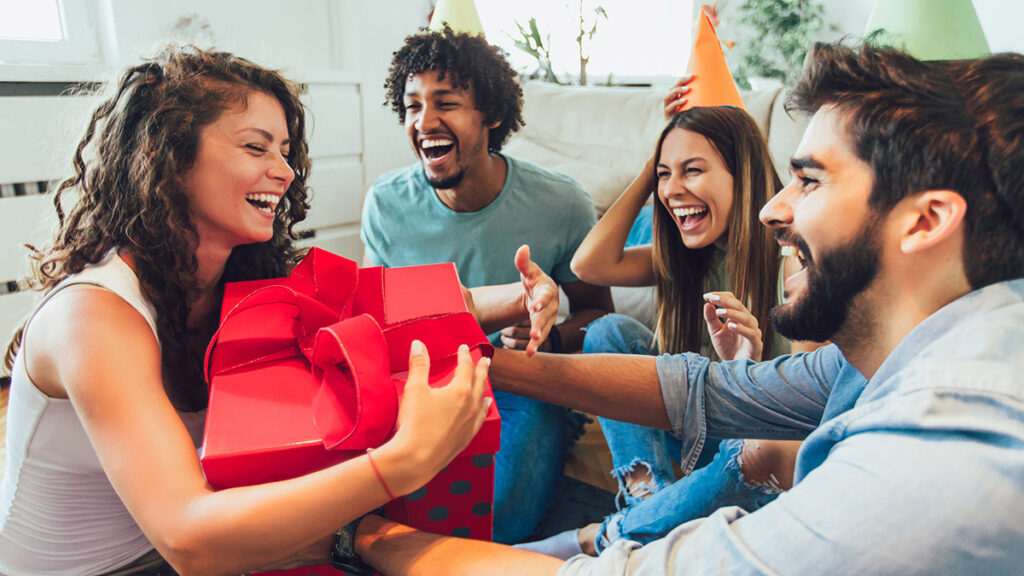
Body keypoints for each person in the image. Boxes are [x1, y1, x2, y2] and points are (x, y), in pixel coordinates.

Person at [340, 43, 1024, 575]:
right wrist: (484, 363)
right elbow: (701, 387)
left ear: (927, 220)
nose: (774, 210)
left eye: (810, 181)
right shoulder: (905, 346)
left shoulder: (941, 456)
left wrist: (375, 541)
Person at [0, 45, 496, 575]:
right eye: (256, 148)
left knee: (372, 538)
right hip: (124, 564)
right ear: (161, 155)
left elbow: (376, 316)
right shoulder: (94, 316)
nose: (284, 172)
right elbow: (189, 540)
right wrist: (402, 463)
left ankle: (573, 554)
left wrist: (518, 300)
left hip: (184, 547)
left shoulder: (238, 278)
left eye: (284, 151)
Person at [526, 97, 814, 556]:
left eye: (693, 170)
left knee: (750, 448)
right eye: (666, 174)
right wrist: (653, 168)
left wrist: (745, 370)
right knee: (608, 332)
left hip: (755, 443)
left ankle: (612, 536)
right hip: (688, 427)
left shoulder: (791, 262)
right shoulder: (686, 257)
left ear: (743, 175)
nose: (673, 189)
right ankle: (649, 500)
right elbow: (589, 264)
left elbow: (806, 413)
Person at [360, 26, 614, 544]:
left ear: (492, 114)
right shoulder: (385, 205)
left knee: (493, 521)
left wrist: (552, 338)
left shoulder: (562, 204)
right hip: (419, 384)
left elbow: (600, 320)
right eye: (411, 106)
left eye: (446, 103)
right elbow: (374, 323)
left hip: (523, 384)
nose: (424, 122)